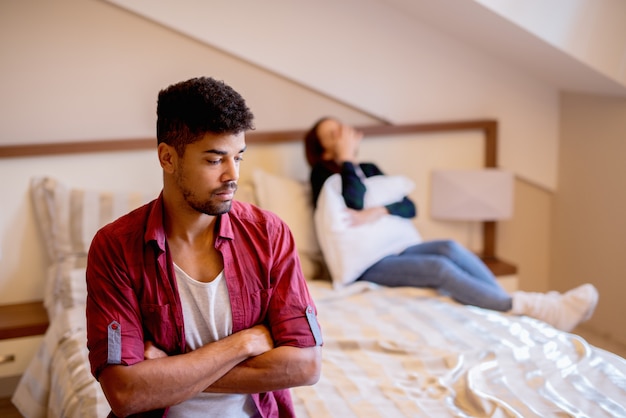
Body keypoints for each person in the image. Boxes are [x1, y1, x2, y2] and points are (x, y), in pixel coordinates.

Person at [86, 77, 322, 418]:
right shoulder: (115, 247)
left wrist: (170, 372)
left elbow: (306, 366)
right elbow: (125, 393)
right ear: (168, 158)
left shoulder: (269, 234)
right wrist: (241, 344)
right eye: (214, 160)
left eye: (238, 157)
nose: (232, 175)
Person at [304, 116, 598, 332]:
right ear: (324, 150)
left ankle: (515, 304)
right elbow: (354, 201)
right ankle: (530, 308)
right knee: (439, 269)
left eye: (341, 127)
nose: (342, 133)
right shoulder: (321, 173)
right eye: (333, 134)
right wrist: (346, 159)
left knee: (449, 248)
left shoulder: (369, 169)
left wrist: (378, 210)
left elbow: (409, 207)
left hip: (396, 248)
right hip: (366, 265)